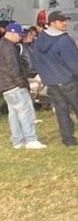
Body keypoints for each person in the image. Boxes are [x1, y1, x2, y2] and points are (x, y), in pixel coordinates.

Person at [31, 10, 78, 147]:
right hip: (69, 80)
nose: (65, 23)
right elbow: (75, 62)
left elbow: (36, 61)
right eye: (62, 21)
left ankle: (68, 140)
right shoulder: (64, 40)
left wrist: (46, 77)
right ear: (53, 23)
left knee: (61, 112)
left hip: (51, 82)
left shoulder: (39, 41)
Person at [0, 22, 46, 150]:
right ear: (12, 33)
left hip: (6, 86)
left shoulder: (3, 45)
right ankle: (31, 139)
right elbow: (13, 67)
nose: (20, 38)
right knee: (24, 112)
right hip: (15, 85)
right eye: (19, 35)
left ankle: (17, 140)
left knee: (14, 114)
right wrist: (22, 83)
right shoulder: (8, 48)